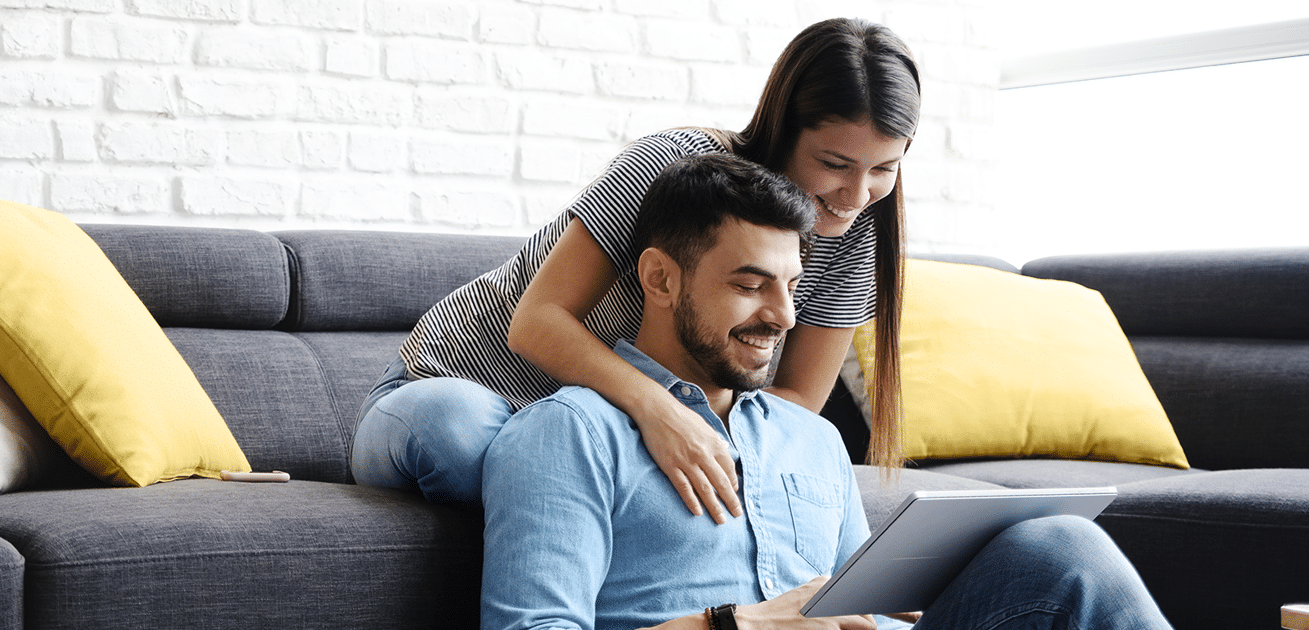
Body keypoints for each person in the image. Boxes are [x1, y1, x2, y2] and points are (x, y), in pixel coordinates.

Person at [481, 152, 1171, 630]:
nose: (782, 316)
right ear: (660, 280)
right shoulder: (567, 432)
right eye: (749, 285)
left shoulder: (808, 438)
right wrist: (739, 623)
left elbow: (857, 607)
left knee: (1058, 549)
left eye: (791, 286)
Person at [353, 17, 915, 518]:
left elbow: (793, 408)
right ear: (784, 129)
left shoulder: (856, 242)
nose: (857, 194)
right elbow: (537, 322)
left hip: (602, 441)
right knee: (467, 440)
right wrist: (661, 415)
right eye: (835, 164)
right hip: (464, 392)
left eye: (884, 169)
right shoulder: (671, 165)